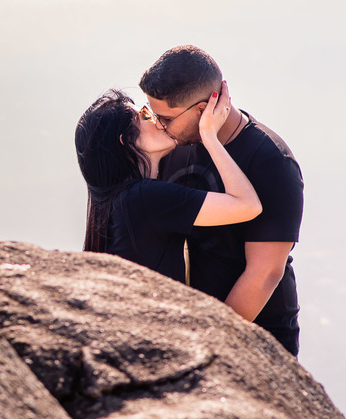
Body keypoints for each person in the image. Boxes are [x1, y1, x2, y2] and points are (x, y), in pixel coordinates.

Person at [141, 45, 304, 356]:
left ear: (203, 109)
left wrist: (213, 341)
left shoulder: (270, 161)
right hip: (191, 328)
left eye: (165, 118)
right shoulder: (175, 143)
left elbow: (264, 273)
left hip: (256, 338)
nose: (158, 126)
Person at [75, 83, 261, 288]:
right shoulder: (144, 197)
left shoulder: (122, 201)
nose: (159, 121)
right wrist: (209, 135)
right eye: (145, 115)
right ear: (126, 140)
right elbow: (247, 205)